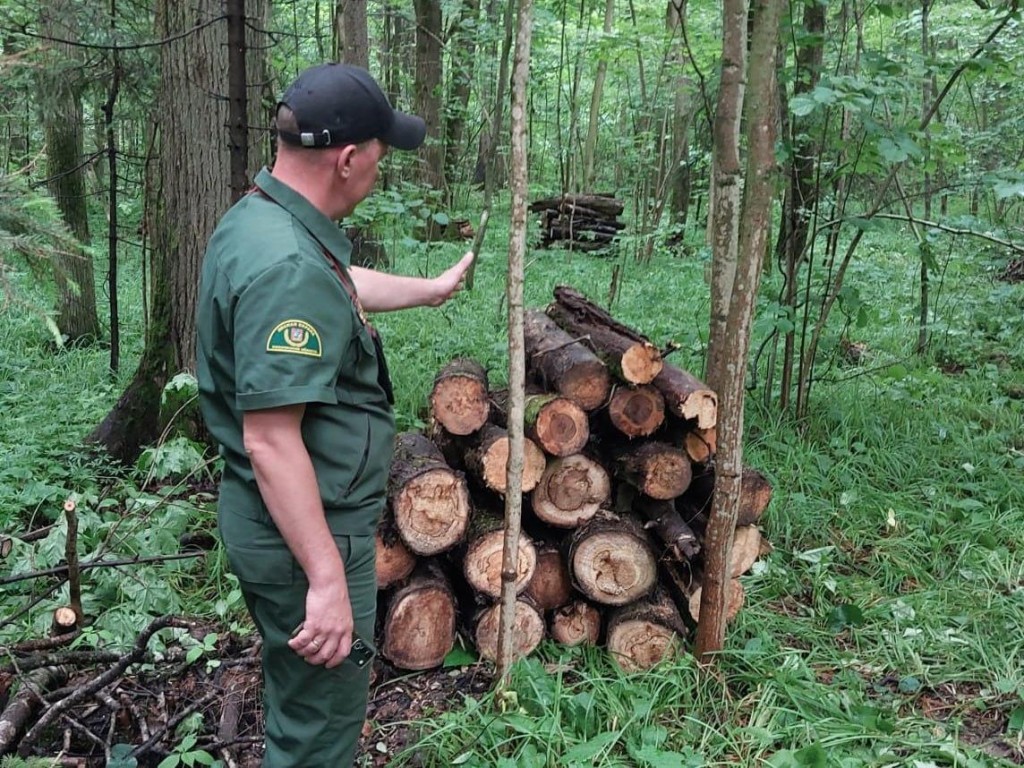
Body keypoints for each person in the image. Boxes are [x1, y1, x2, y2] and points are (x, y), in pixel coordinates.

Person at [196, 63, 474, 768]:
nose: (381, 168)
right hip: (303, 531)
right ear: (348, 159)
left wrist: (433, 289)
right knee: (320, 731)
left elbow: (336, 285)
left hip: (281, 521)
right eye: (380, 156)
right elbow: (269, 439)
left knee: (305, 708)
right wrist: (325, 580)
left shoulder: (264, 217)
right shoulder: (287, 263)